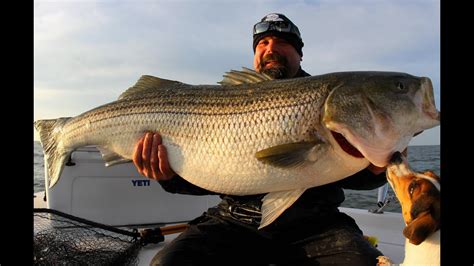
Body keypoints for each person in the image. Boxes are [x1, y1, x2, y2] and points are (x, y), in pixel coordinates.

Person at [134, 13, 388, 266]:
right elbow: (213, 176)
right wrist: (169, 177)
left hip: (318, 225)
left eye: (282, 42)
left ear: (300, 54)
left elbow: (352, 174)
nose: (271, 49)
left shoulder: (331, 100)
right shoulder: (225, 99)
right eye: (262, 43)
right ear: (255, 56)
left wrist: (377, 169)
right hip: (235, 221)